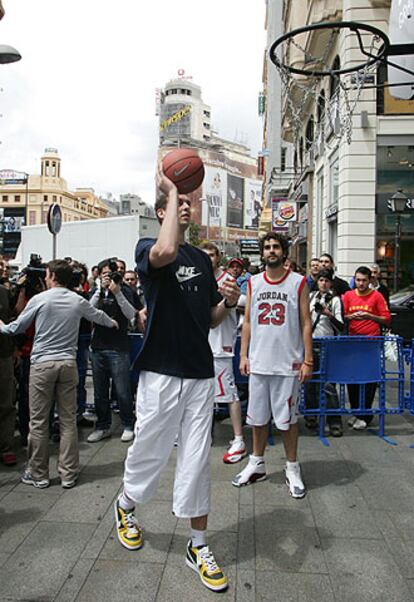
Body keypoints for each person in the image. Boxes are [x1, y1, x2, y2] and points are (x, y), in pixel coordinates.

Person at [114, 164, 239, 593]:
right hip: (161, 372)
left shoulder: (202, 260)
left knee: (196, 460)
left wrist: (228, 303)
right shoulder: (149, 246)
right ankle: (126, 505)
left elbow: (207, 319)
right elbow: (166, 251)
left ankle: (198, 545)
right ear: (164, 209)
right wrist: (169, 187)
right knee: (150, 448)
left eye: (189, 202)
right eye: (178, 203)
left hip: (200, 372)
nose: (187, 206)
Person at [0, 259, 118, 489]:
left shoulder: (40, 299)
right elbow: (98, 316)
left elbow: (16, 328)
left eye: (46, 274)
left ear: (52, 276)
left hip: (42, 365)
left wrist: (1, 325)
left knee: (39, 422)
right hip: (67, 364)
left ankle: (39, 473)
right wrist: (112, 322)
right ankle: (68, 474)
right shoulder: (76, 299)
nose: (44, 277)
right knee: (67, 421)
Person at [232, 232, 313, 498]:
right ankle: (256, 463)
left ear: (284, 251)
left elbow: (305, 323)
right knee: (256, 417)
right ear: (262, 253)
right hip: (259, 362)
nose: (271, 250)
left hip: (287, 364)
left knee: (288, 421)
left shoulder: (298, 282)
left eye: (276, 246)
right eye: (267, 247)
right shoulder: (254, 282)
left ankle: (292, 467)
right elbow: (247, 322)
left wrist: (308, 360)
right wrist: (243, 355)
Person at [200, 241, 246, 464]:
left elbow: (244, 301)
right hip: (200, 345)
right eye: (204, 255)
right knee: (202, 395)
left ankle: (239, 438)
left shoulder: (227, 280)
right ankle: (203, 434)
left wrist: (231, 300)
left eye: (212, 255)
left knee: (229, 393)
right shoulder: (198, 277)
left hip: (221, 346)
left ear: (218, 258)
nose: (208, 259)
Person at [87, 259, 137, 443]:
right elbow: (88, 310)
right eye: (105, 273)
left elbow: (132, 314)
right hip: (98, 346)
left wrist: (117, 293)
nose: (108, 277)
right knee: (100, 391)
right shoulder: (96, 291)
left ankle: (128, 424)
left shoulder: (125, 290)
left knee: (123, 390)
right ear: (99, 275)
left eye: (111, 273)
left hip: (119, 348)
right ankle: (102, 426)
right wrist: (101, 289)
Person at [343, 266, 391, 430]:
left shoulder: (377, 296)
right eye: (358, 280)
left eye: (364, 280)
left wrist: (370, 316)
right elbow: (342, 316)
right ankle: (356, 412)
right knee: (353, 379)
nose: (361, 283)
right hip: (353, 343)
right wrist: (351, 316)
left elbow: (386, 319)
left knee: (369, 380)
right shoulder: (348, 295)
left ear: (370, 280)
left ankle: (366, 414)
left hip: (371, 343)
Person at [305, 269, 344, 436]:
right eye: (321, 280)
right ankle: (311, 415)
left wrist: (328, 314)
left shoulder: (335, 300)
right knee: (310, 382)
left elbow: (341, 326)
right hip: (310, 343)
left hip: (327, 345)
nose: (323, 283)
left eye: (326, 281)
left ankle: (334, 420)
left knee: (328, 384)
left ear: (331, 283)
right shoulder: (311, 297)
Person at [0, 281, 16, 465]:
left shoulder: (4, 292)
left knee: (6, 403)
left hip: (4, 354)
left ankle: (6, 446)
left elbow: (14, 317)